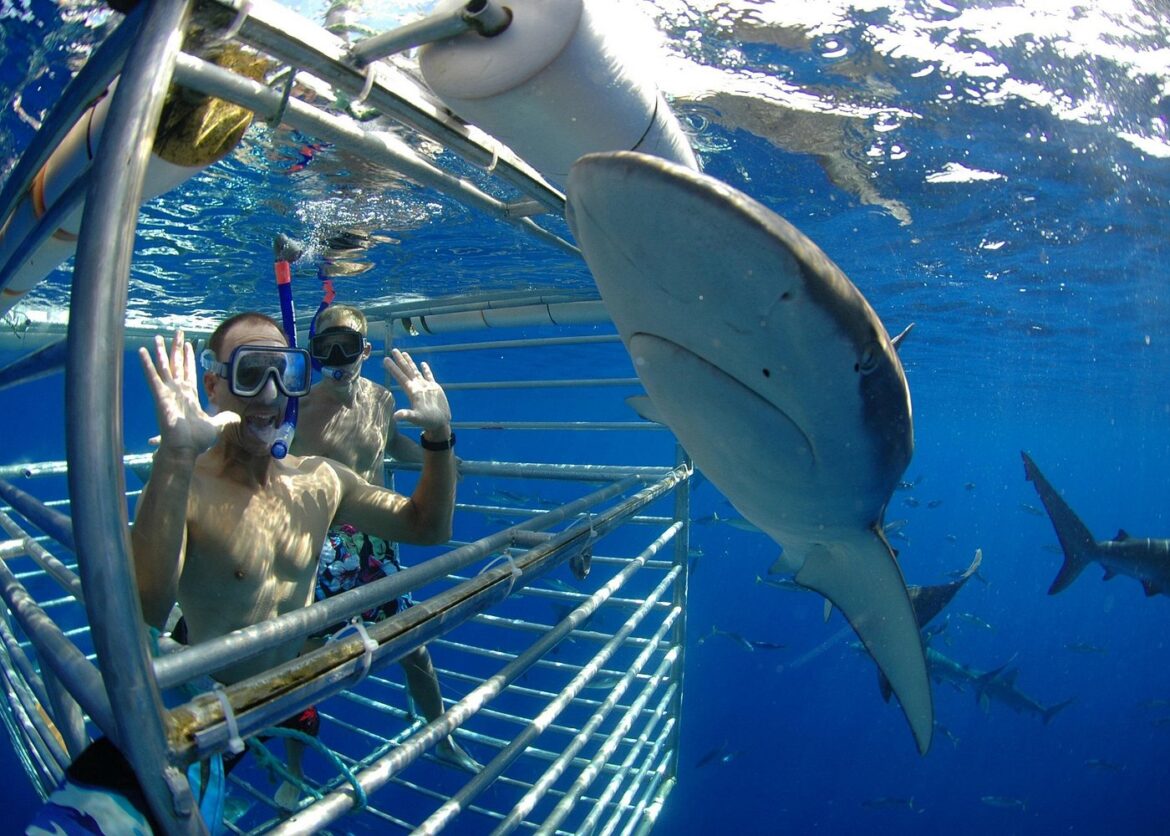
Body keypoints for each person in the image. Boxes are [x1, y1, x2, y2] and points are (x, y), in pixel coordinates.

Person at [131, 312, 458, 808]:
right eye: (249, 373)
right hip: (205, 713)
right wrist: (175, 456)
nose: (268, 393)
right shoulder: (187, 486)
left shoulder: (321, 480)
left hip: (288, 689)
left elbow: (428, 527)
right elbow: (146, 610)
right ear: (212, 386)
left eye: (283, 372)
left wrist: (439, 437)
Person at [291, 303, 478, 773]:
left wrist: (440, 456)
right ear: (312, 355)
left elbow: (391, 447)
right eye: (325, 348)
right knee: (304, 670)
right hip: (319, 549)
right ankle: (293, 771)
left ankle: (441, 736)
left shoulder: (382, 400)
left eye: (347, 346)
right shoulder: (298, 408)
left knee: (412, 644)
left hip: (378, 541)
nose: (337, 357)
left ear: (366, 351)